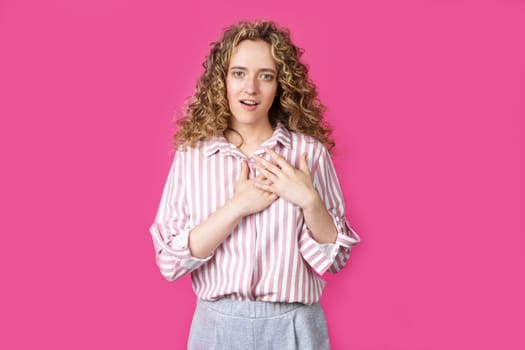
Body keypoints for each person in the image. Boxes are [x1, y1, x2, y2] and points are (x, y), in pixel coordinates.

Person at [149, 20, 360, 350]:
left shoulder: (309, 154)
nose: (251, 88)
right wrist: (236, 207)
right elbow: (170, 262)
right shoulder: (192, 156)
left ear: (280, 85)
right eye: (239, 73)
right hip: (215, 329)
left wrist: (310, 202)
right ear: (222, 80)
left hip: (294, 326)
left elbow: (335, 260)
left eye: (266, 75)